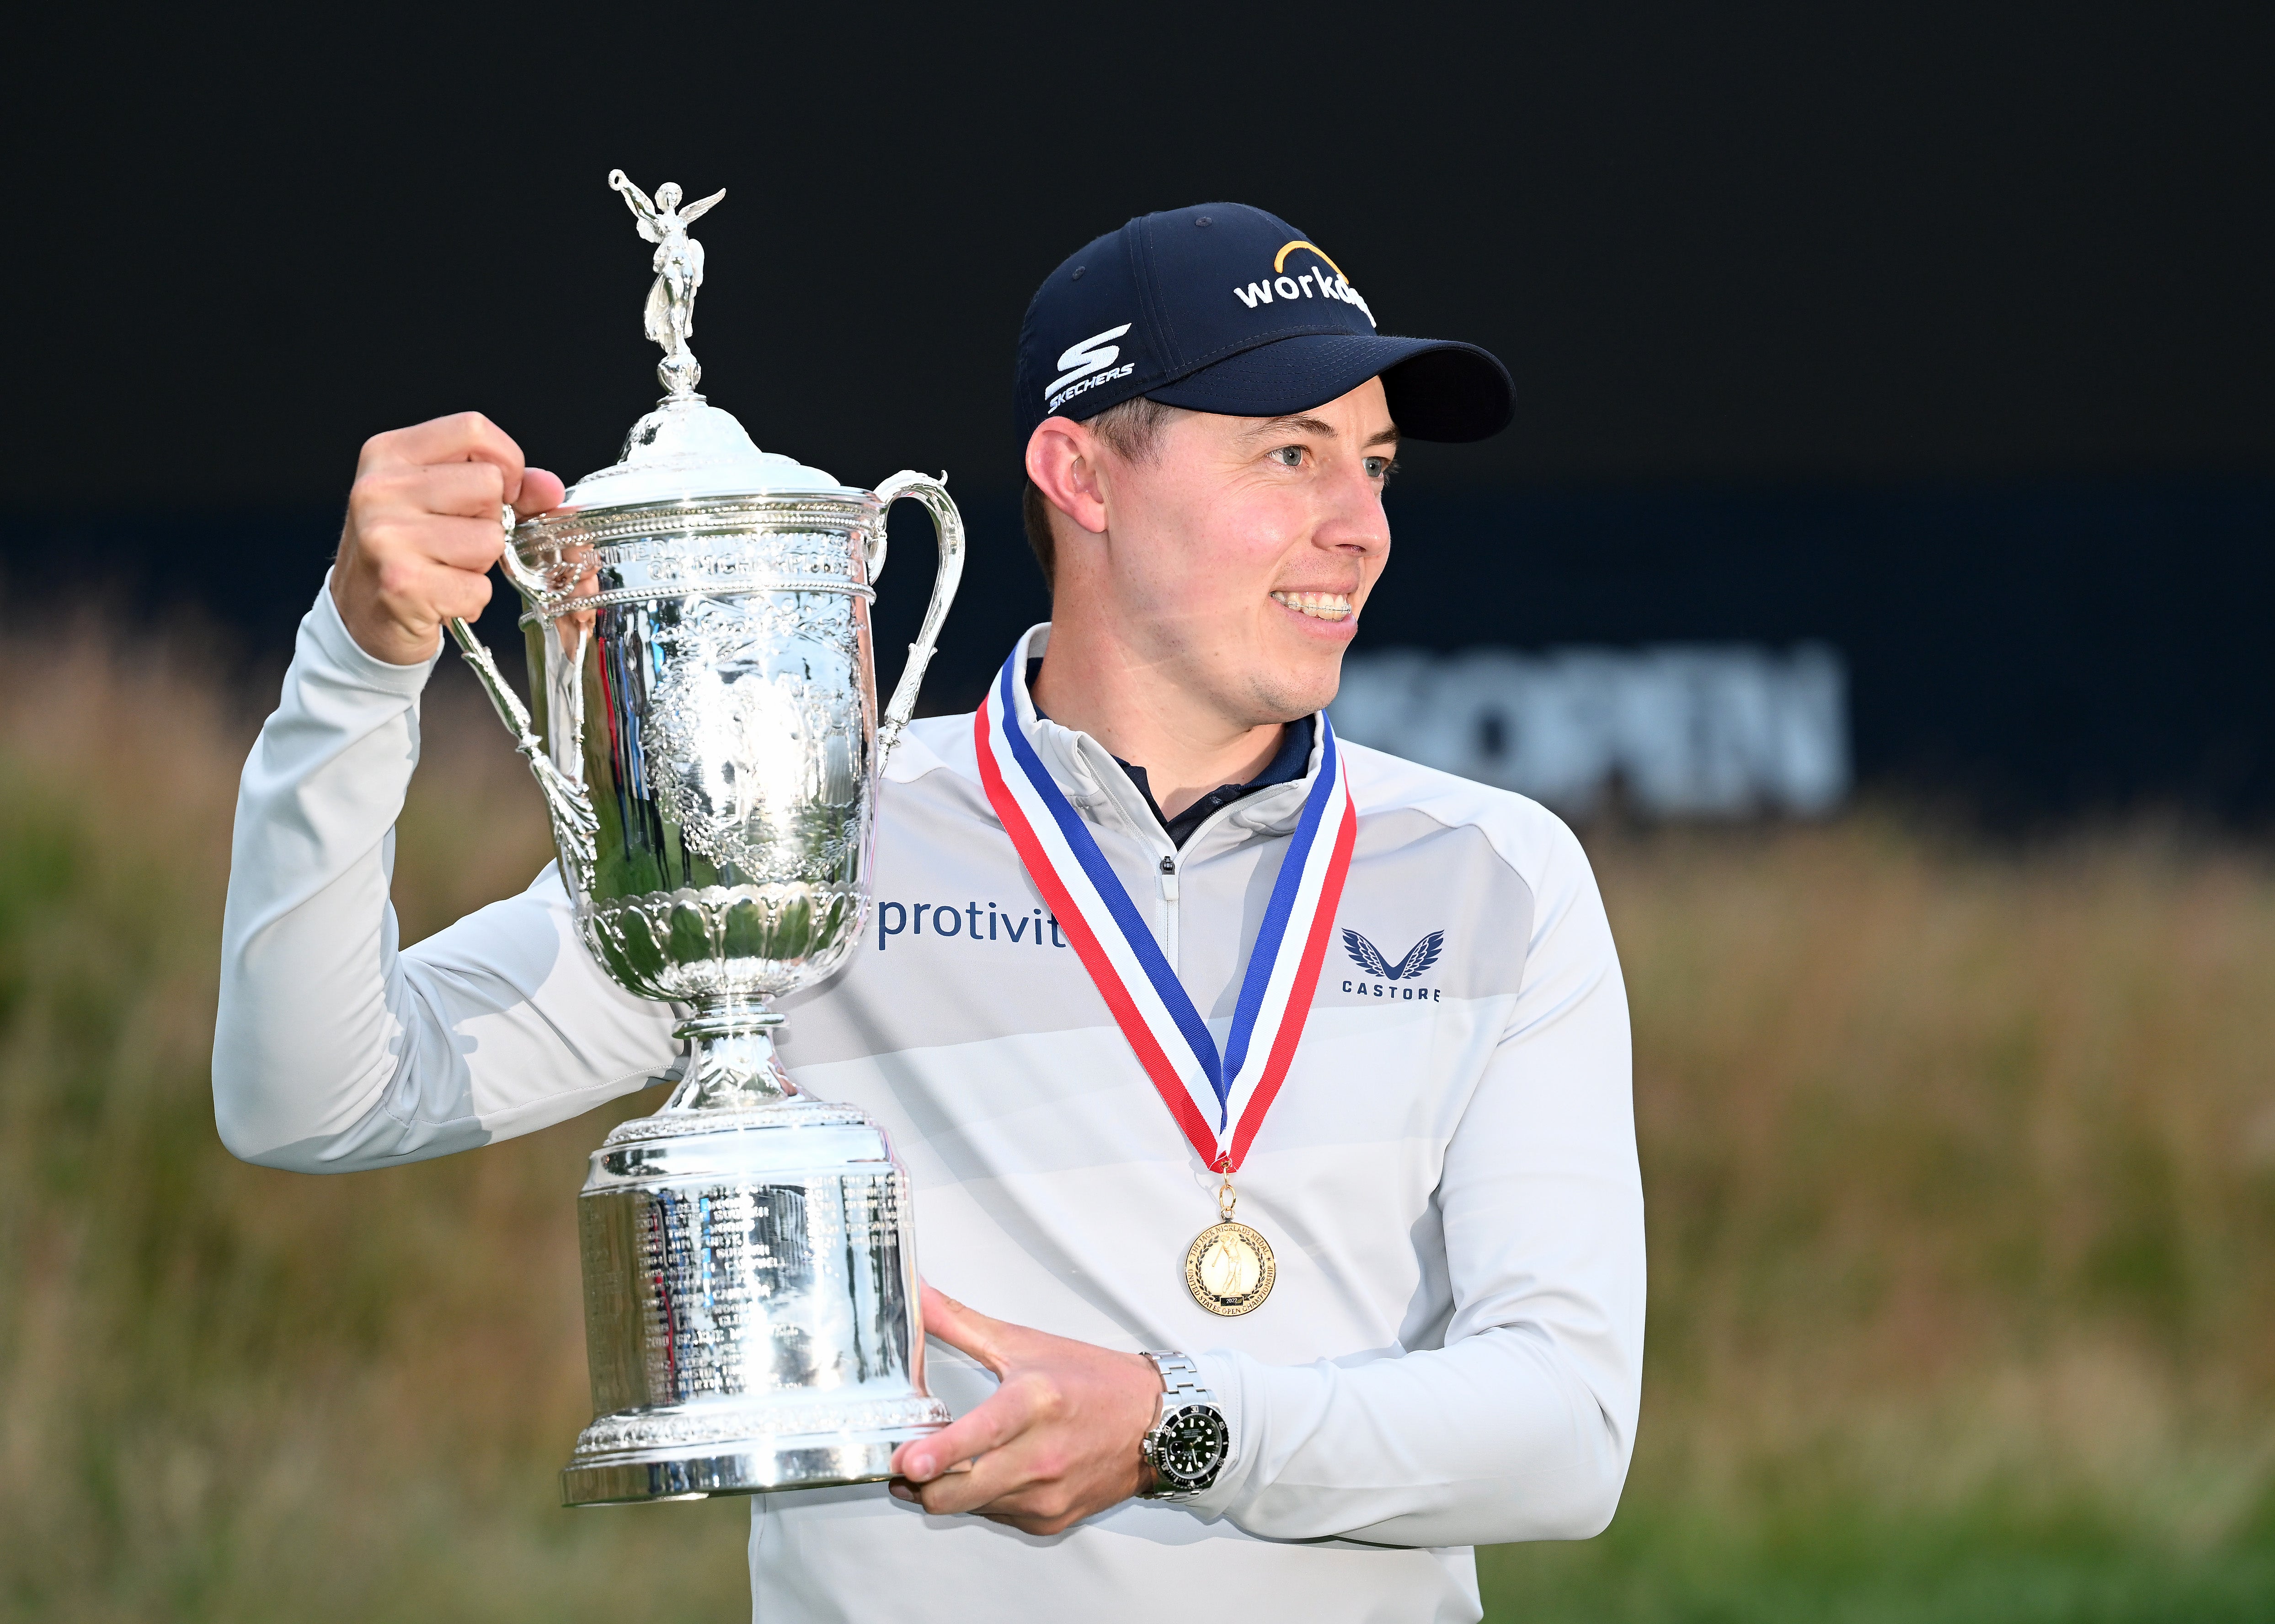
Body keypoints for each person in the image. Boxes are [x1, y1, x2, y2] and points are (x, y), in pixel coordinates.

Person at [214, 201, 1642, 1624]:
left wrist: (1175, 1426)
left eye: (1377, 467)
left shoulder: (1498, 871)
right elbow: (316, 1097)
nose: (1361, 530)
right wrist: (356, 667)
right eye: (1290, 455)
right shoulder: (812, 822)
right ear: (1080, 475)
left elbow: (1569, 1430)